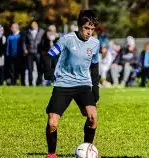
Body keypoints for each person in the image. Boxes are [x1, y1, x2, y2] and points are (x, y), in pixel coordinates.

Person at [44, 10, 100, 158]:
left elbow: (94, 67)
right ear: (79, 26)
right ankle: (51, 153)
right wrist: (48, 71)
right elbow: (49, 56)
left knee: (93, 118)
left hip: (83, 85)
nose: (89, 32)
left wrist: (96, 88)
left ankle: (88, 151)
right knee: (52, 123)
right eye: (86, 28)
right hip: (63, 84)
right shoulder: (66, 39)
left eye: (92, 29)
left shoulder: (95, 43)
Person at [24, 20, 45, 86]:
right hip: (30, 52)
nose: (33, 25)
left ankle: (39, 82)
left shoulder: (42, 31)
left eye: (35, 24)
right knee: (30, 69)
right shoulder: (27, 32)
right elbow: (24, 42)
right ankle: (30, 83)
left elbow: (44, 40)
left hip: (38, 52)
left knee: (40, 68)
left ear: (37, 24)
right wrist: (25, 49)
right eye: (32, 24)